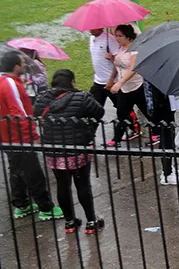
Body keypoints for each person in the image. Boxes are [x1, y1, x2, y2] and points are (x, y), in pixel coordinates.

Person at [34, 69, 105, 234]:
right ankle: (91, 221)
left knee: (62, 185)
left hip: (54, 149)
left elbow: (36, 113)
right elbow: (99, 112)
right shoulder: (82, 98)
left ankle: (69, 221)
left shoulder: (43, 99)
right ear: (72, 82)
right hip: (78, 147)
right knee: (82, 184)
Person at [0, 52, 62, 220]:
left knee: (16, 170)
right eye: (22, 64)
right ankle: (46, 207)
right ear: (16, 67)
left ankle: (21, 204)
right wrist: (33, 134)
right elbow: (19, 113)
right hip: (19, 137)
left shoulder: (4, 82)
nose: (24, 67)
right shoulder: (11, 85)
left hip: (7, 137)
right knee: (33, 172)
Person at [87, 28, 139, 139]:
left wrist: (112, 80)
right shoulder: (92, 39)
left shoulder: (110, 40)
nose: (90, 30)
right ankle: (89, 137)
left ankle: (133, 128)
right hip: (98, 82)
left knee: (122, 109)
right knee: (94, 109)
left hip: (112, 82)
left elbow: (118, 61)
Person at [106, 24, 153, 147]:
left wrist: (119, 83)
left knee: (148, 112)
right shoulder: (120, 49)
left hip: (136, 87)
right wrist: (111, 60)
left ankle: (158, 132)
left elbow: (133, 69)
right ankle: (116, 139)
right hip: (125, 88)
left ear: (128, 36)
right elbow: (119, 66)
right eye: (115, 35)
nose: (117, 38)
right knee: (122, 114)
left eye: (120, 36)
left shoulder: (134, 50)